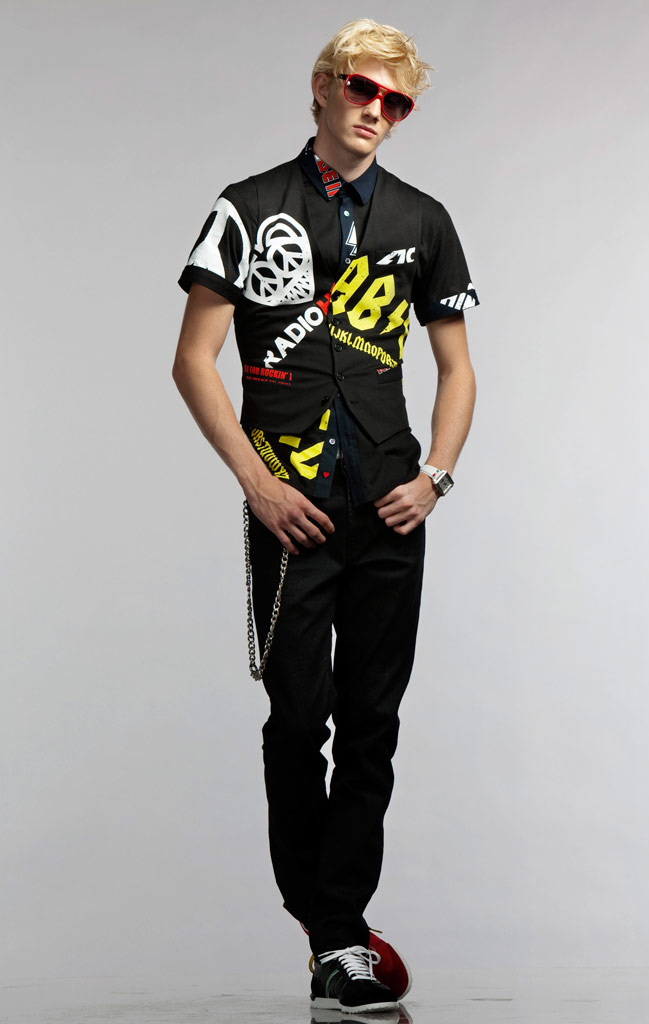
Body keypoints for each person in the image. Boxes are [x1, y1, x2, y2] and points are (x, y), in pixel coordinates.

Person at [172, 18, 479, 1014]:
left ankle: (339, 929)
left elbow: (456, 367)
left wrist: (434, 477)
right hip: (290, 511)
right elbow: (192, 361)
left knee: (372, 723)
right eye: (360, 88)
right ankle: (325, 926)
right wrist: (256, 485)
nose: (375, 110)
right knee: (299, 719)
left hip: (389, 512)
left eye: (396, 101)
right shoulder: (247, 206)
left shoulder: (424, 219)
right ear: (321, 87)